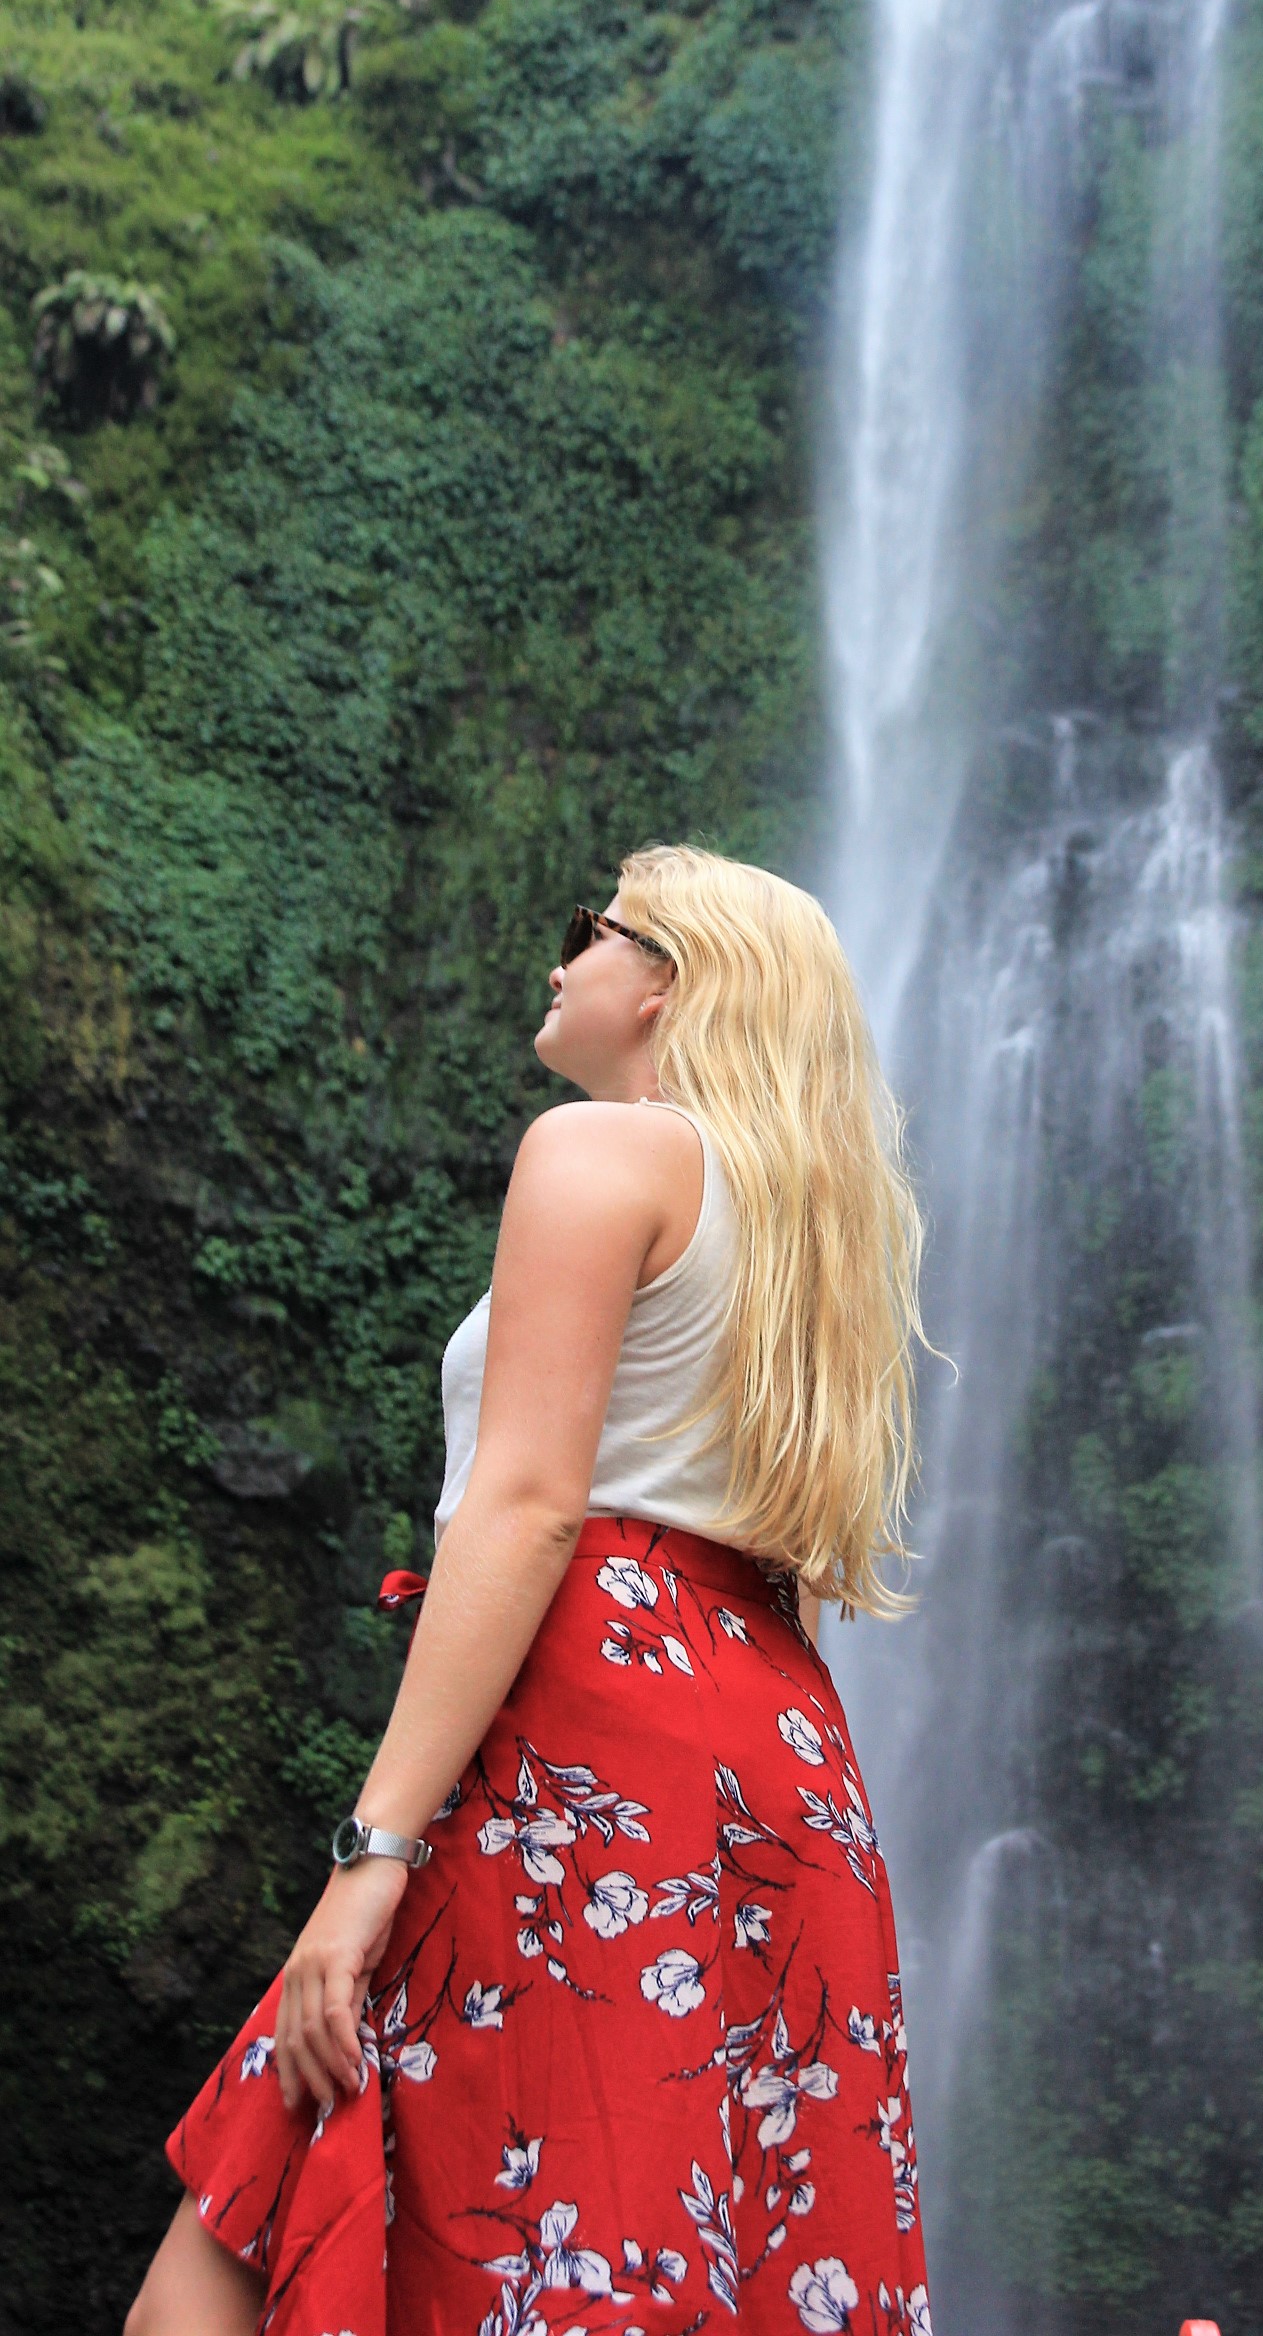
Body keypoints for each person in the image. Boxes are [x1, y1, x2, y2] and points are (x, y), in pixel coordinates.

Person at [127, 844, 934, 2336]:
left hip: (581, 1746)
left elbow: (528, 1502)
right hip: (773, 1761)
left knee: (260, 2253)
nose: (562, 960)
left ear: (671, 980)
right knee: (643, 2242)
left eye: (592, 929)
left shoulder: (597, 1152)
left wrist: (371, 1852)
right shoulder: (814, 1235)